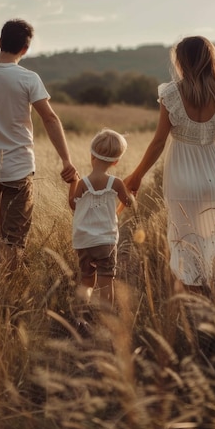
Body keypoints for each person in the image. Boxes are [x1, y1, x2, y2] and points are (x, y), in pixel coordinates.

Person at [124, 36, 215, 288]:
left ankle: (191, 303)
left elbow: (158, 142)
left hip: (181, 175)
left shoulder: (171, 93)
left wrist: (136, 176)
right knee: (213, 239)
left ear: (182, 61)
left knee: (186, 241)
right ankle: (214, 301)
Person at [0, 18, 77, 260]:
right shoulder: (28, 78)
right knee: (14, 239)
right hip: (17, 171)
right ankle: (10, 291)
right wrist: (66, 160)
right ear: (25, 49)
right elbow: (50, 119)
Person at [69, 129, 134, 308]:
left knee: (87, 281)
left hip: (84, 240)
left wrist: (73, 182)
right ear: (115, 161)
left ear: (92, 155)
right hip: (106, 240)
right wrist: (130, 193)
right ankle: (106, 318)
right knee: (106, 281)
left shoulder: (83, 183)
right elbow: (128, 203)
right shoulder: (116, 183)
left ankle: (81, 316)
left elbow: (73, 204)